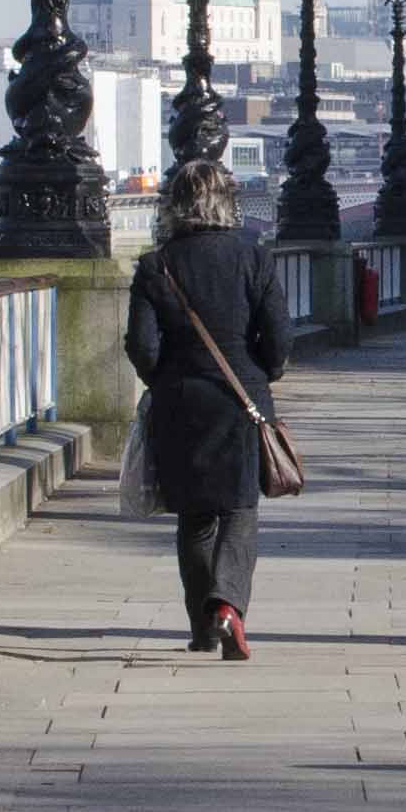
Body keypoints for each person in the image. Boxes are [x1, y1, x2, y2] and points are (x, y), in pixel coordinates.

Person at [122, 160, 290, 661]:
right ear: (228, 202)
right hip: (241, 400)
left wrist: (164, 380)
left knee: (195, 517)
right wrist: (261, 373)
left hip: (180, 400)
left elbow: (141, 345)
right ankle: (228, 605)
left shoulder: (158, 265)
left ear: (174, 205)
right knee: (239, 509)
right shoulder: (253, 258)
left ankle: (201, 626)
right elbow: (279, 339)